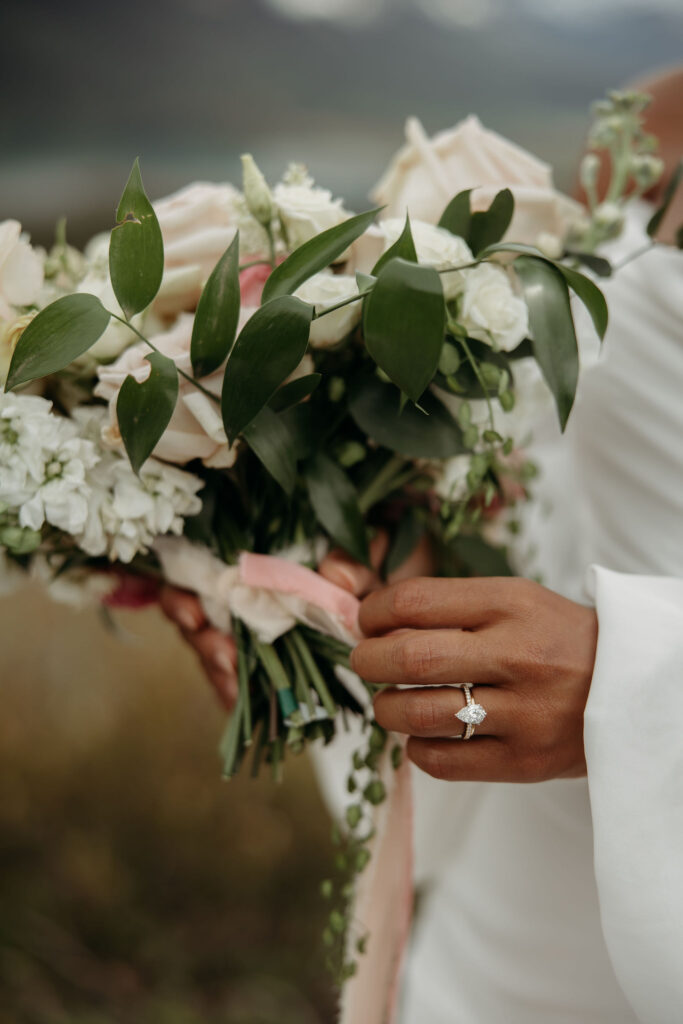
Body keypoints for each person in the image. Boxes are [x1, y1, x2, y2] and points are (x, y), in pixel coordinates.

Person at [160, 69, 683, 1022]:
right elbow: (555, 475)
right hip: (514, 902)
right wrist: (340, 559)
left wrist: (638, 679)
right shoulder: (647, 123)